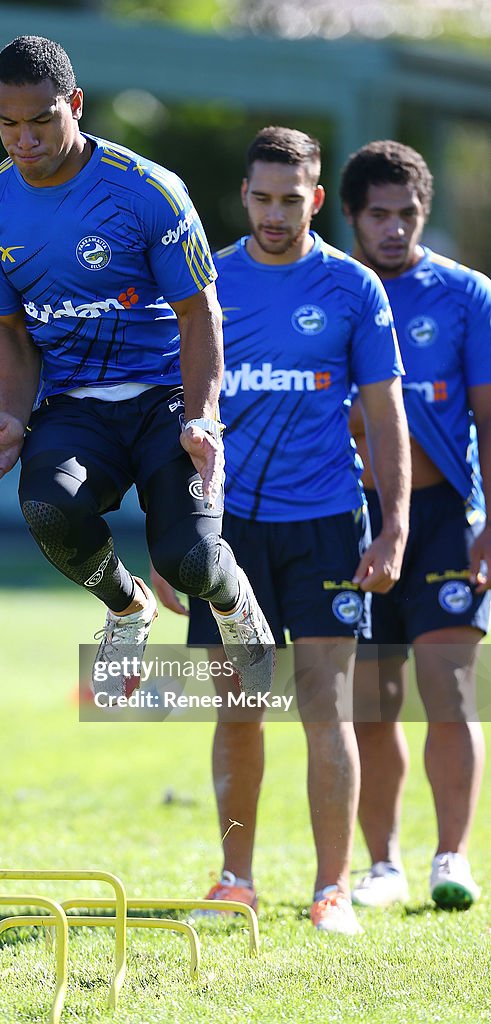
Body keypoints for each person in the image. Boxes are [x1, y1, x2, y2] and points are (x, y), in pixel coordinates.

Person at [152, 126, 411, 934]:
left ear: (316, 199)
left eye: (289, 200)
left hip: (328, 523)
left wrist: (394, 522)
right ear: (243, 195)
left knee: (325, 708)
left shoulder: (353, 288)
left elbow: (383, 410)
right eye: (261, 198)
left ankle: (330, 889)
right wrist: (167, 534)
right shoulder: (206, 285)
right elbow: (172, 415)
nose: (274, 213)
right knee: (239, 709)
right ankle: (235, 878)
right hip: (225, 532)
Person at [0, 35, 274, 696]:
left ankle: (233, 604)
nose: (24, 139)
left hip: (165, 397)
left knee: (188, 560)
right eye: (8, 122)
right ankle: (127, 607)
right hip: (76, 406)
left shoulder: (147, 192)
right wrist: (12, 417)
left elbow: (200, 313)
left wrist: (201, 416)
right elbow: (5, 325)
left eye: (41, 119)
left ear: (73, 104)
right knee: (49, 510)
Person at [340, 141, 491, 911]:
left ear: (423, 214)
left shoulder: (467, 296)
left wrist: (489, 524)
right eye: (378, 215)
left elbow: (489, 421)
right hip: (348, 519)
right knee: (371, 699)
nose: (393, 229)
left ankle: (450, 858)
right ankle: (382, 865)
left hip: (441, 521)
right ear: (351, 218)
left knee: (450, 691)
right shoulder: (332, 290)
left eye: (407, 215)